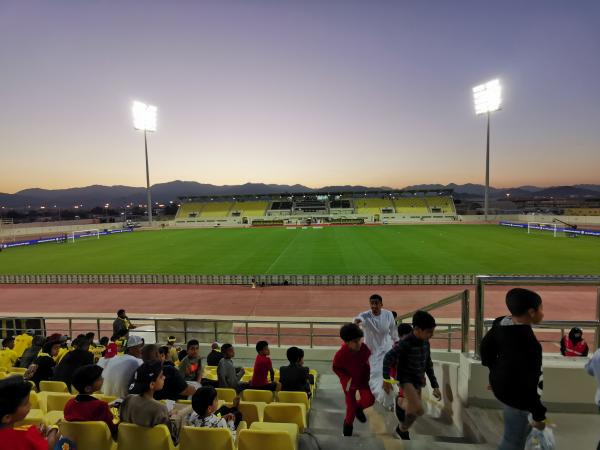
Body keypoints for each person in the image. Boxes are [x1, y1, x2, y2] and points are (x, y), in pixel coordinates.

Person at [481, 288, 546, 450]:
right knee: (512, 442)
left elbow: (486, 350)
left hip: (504, 388)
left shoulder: (501, 323)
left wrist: (495, 375)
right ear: (531, 312)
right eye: (541, 308)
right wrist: (539, 415)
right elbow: (529, 385)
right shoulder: (530, 345)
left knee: (517, 436)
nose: (543, 313)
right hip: (519, 399)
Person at [382, 311, 440, 440]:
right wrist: (386, 379)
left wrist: (435, 385)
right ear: (418, 329)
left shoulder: (426, 343)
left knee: (415, 413)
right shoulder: (405, 343)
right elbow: (388, 358)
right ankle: (402, 419)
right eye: (429, 332)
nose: (432, 335)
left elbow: (428, 364)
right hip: (405, 379)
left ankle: (401, 427)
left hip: (417, 380)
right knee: (418, 409)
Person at [120, 361, 182, 445]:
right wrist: (175, 418)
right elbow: (172, 439)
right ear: (152, 384)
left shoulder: (127, 400)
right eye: (161, 376)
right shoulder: (160, 408)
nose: (164, 377)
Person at [354, 294, 399, 407]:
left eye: (376, 303)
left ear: (381, 304)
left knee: (386, 372)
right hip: (372, 352)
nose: (374, 306)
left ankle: (393, 393)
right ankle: (384, 397)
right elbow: (357, 319)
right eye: (372, 303)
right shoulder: (365, 315)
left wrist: (397, 342)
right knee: (376, 374)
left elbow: (393, 330)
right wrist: (356, 322)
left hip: (386, 348)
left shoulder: (388, 314)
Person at [332, 323, 375, 437]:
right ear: (346, 342)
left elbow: (373, 360)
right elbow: (336, 368)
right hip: (349, 383)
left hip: (363, 379)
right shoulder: (340, 355)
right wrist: (345, 379)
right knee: (350, 408)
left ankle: (359, 408)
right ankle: (347, 429)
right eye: (355, 342)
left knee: (370, 400)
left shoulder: (364, 349)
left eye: (360, 340)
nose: (359, 343)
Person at [0, 376, 60, 450]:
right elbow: (48, 447)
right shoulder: (28, 434)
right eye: (26, 403)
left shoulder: (29, 432)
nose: (30, 404)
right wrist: (53, 430)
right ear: (7, 417)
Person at [63, 364, 118, 438]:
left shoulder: (69, 403)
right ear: (88, 388)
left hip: (77, 442)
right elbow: (112, 429)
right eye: (99, 379)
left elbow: (84, 411)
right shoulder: (101, 406)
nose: (103, 379)